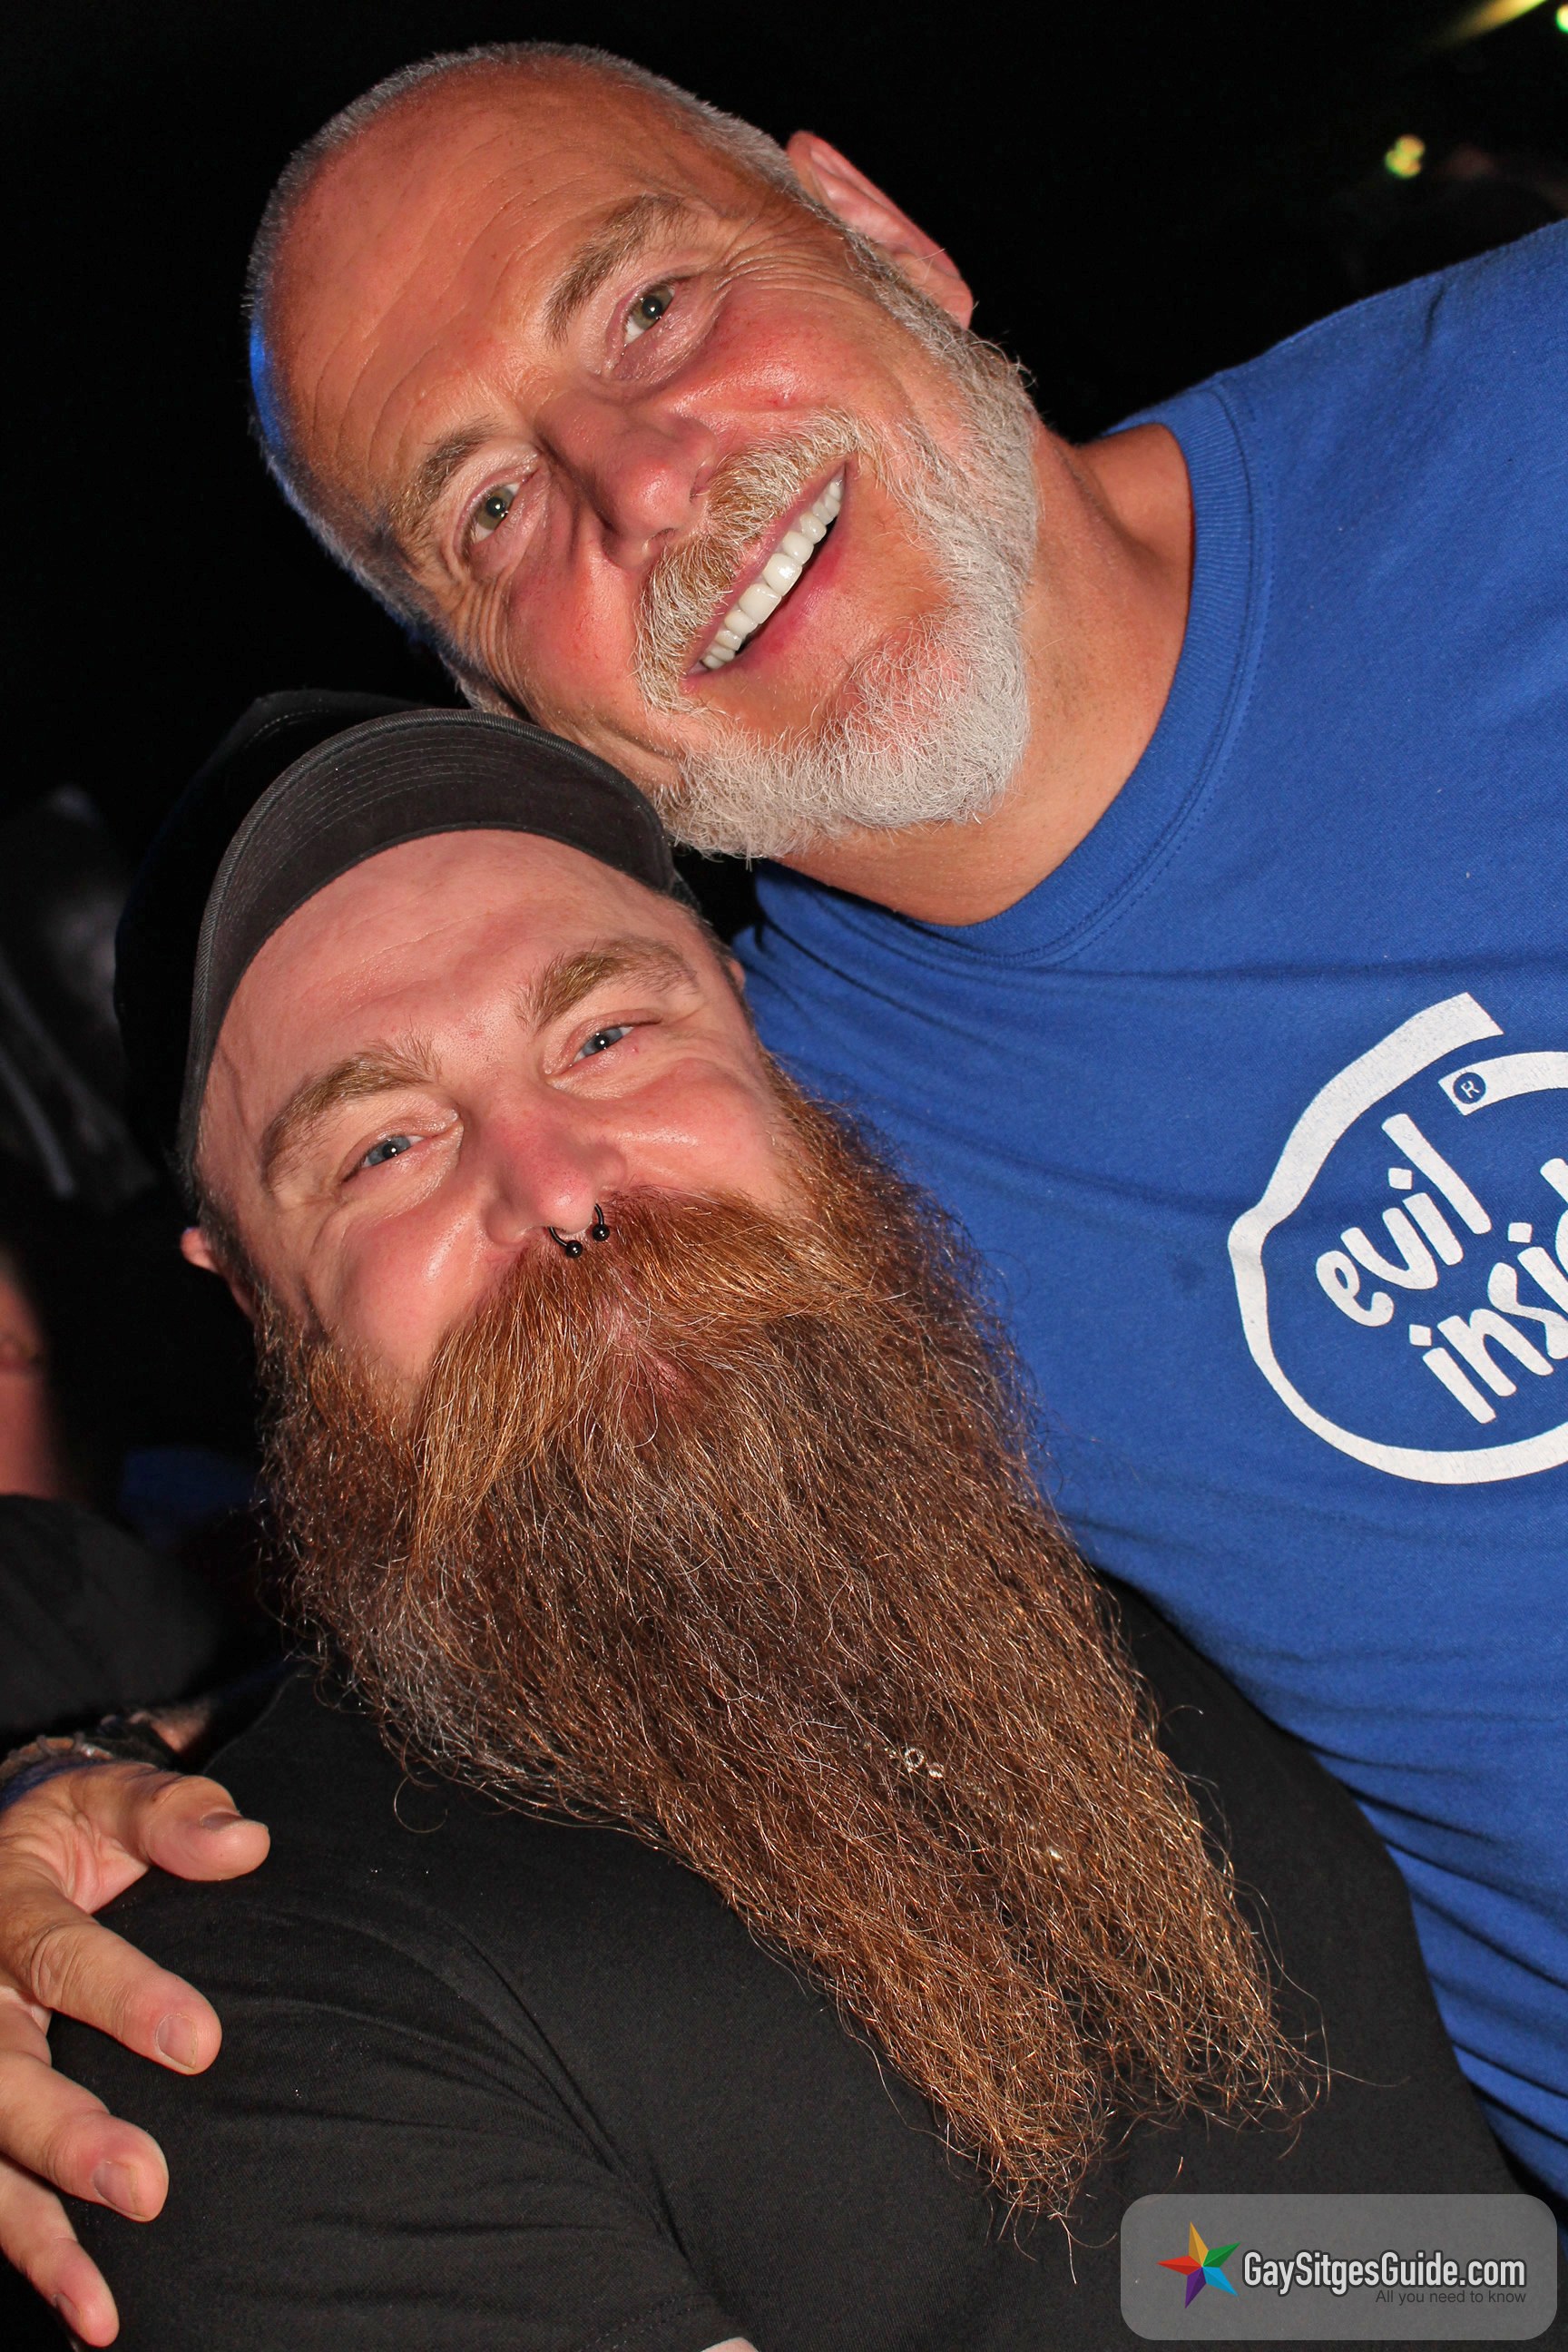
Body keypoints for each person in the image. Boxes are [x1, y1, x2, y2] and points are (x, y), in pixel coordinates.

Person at [2, 26, 1566, 2297]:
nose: (644, 487)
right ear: (494, 683)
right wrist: (71, 1799)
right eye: (491, 510)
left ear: (874, 232)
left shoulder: (1524, 416)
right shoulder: (776, 1176)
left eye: (648, 306)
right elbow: (542, 1550)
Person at [0, 705, 1540, 2349]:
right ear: (250, 1290)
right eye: (385, 1145)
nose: (558, 1184)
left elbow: (1296, 2268)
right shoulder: (256, 2025)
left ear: (753, 1033)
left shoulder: (1129, 1525)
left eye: (606, 1034)